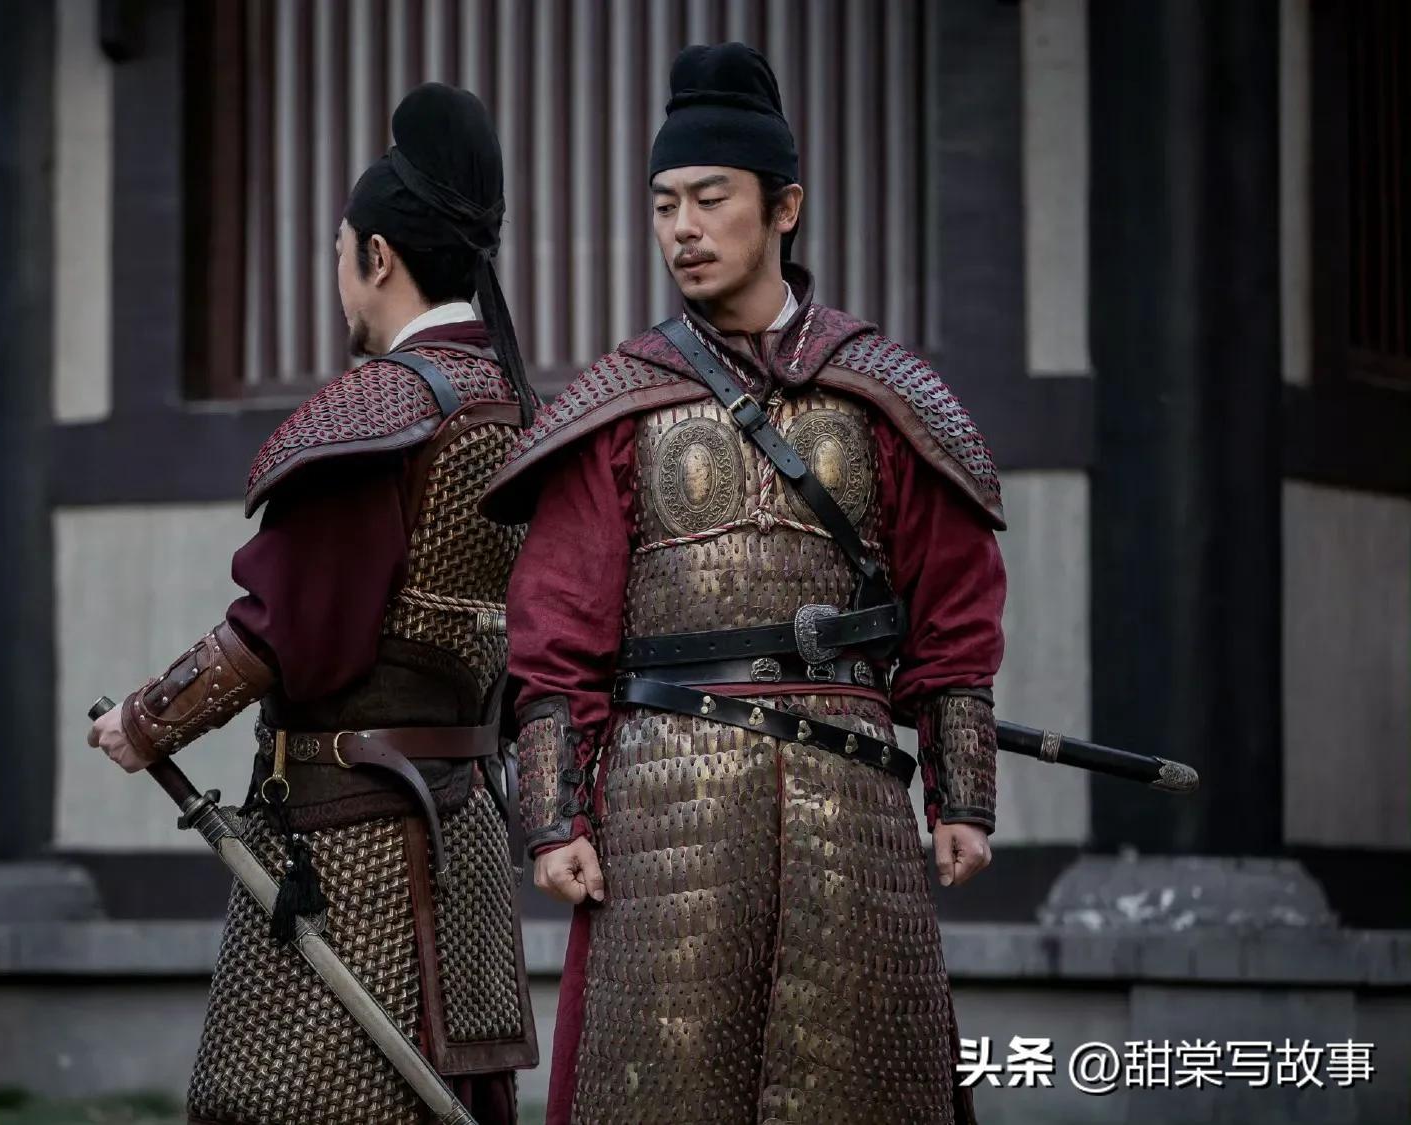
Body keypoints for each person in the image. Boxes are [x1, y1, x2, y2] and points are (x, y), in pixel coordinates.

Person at [482, 43, 1006, 1124]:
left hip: (849, 807)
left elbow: (952, 603)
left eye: (710, 198)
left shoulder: (880, 392)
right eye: (663, 203)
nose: (682, 227)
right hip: (663, 803)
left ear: (784, 208)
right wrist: (554, 818)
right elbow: (556, 626)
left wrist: (960, 795)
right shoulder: (621, 400)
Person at [89, 82, 538, 1125]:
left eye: (339, 250)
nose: (337, 273)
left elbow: (285, 623)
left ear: (376, 256)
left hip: (356, 850)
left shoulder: (385, 408)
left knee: (297, 1106)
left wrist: (146, 721)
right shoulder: (509, 406)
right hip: (466, 837)